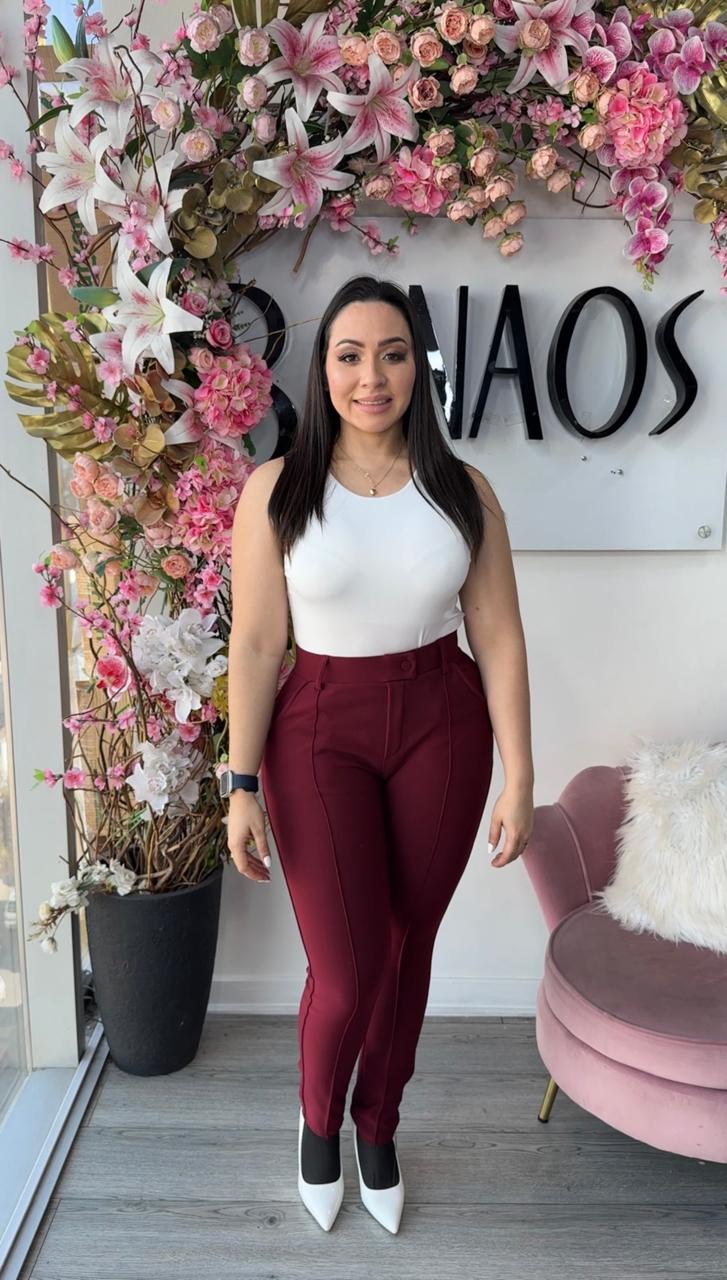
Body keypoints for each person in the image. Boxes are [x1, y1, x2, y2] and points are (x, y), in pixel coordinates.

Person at [223, 274, 535, 1235]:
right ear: (322, 370)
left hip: (443, 721)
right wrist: (240, 784)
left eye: (392, 355)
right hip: (319, 731)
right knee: (348, 968)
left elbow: (499, 634)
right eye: (350, 356)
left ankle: (377, 1122)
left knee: (405, 947)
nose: (371, 377)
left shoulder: (462, 490)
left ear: (416, 367)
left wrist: (520, 774)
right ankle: (318, 1119)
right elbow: (256, 645)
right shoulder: (277, 490)